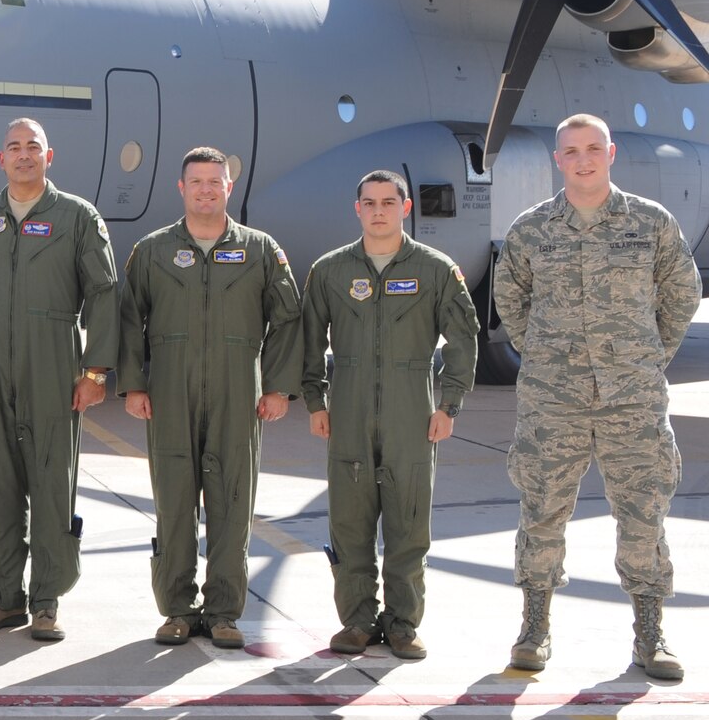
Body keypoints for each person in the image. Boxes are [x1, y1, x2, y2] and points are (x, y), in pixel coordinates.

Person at [499, 114, 699, 681]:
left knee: (642, 513)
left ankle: (650, 633)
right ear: (557, 161)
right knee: (541, 510)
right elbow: (510, 301)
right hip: (551, 398)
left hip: (631, 397)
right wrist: (545, 356)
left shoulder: (650, 222)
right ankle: (534, 626)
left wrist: (645, 355)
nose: (582, 159)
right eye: (571, 151)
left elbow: (682, 292)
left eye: (592, 149)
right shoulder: (532, 229)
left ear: (610, 153)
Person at [118, 146, 302, 649]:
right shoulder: (153, 250)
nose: (205, 189)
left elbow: (288, 317)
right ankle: (176, 610)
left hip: (238, 394)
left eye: (214, 181)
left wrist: (279, 386)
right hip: (170, 394)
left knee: (232, 504)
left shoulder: (260, 250)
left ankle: (223, 612)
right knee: (174, 504)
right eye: (196, 181)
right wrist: (134, 384)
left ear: (229, 187)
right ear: (181, 188)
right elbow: (130, 318)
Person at [301, 170, 479, 660]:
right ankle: (357, 622)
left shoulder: (435, 269)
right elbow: (310, 341)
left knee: (408, 525)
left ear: (405, 208)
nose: (378, 210)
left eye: (387, 201)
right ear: (356, 209)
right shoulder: (331, 271)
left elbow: (464, 338)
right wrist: (316, 402)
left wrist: (449, 405)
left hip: (412, 412)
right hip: (349, 410)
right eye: (369, 202)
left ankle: (403, 625)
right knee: (350, 525)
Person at [0, 119, 118, 641]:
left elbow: (105, 292)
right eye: (14, 148)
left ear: (51, 156)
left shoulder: (77, 217)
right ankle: (3, 597)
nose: (24, 155)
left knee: (52, 479)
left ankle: (46, 600)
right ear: (0, 158)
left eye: (33, 148)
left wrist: (95, 371)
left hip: (53, 361)